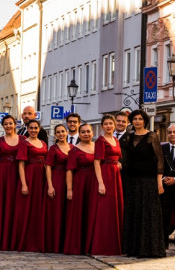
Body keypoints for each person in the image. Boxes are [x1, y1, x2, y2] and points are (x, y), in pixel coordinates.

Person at [121, 109, 165, 258]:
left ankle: (149, 249)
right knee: (134, 214)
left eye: (140, 119)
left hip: (148, 181)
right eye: (135, 119)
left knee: (148, 214)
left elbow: (160, 160)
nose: (137, 121)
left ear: (145, 121)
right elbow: (124, 158)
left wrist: (159, 182)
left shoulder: (151, 136)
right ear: (131, 121)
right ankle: (133, 248)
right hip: (132, 181)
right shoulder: (128, 137)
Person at [0, 114, 23, 251]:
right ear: (3, 126)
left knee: (16, 205)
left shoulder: (23, 139)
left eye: (10, 123)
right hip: (3, 173)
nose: (8, 126)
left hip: (18, 174)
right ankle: (0, 239)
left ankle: (15, 240)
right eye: (5, 124)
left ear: (15, 124)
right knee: (2, 206)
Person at [12, 119, 47, 252]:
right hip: (29, 176)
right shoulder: (24, 143)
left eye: (35, 128)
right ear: (27, 129)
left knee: (38, 208)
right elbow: (21, 164)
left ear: (39, 129)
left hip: (41, 177)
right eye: (31, 128)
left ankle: (37, 240)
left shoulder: (43, 143)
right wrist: (24, 184)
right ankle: (24, 241)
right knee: (26, 208)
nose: (33, 130)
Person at [92, 114, 124, 255]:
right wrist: (100, 183)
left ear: (114, 125)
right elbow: (97, 162)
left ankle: (114, 244)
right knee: (104, 211)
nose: (109, 126)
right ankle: (103, 245)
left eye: (111, 123)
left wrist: (119, 165)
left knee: (114, 209)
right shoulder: (100, 140)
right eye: (106, 124)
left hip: (115, 176)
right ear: (102, 126)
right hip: (105, 175)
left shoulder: (116, 140)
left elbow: (117, 158)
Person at [63, 123, 97, 255]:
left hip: (94, 182)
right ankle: (78, 245)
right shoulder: (74, 150)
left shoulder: (97, 147)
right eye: (83, 132)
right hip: (80, 183)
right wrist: (70, 189)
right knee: (79, 213)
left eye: (88, 131)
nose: (86, 134)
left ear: (92, 133)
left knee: (92, 211)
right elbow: (69, 171)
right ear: (79, 133)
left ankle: (91, 244)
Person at [44, 124, 72, 253]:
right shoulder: (53, 149)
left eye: (63, 131)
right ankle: (54, 244)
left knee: (67, 211)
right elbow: (48, 167)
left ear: (67, 132)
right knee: (56, 212)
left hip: (70, 181)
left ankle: (65, 243)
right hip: (56, 179)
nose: (61, 134)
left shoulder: (72, 148)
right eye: (58, 132)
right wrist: (50, 185)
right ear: (55, 135)